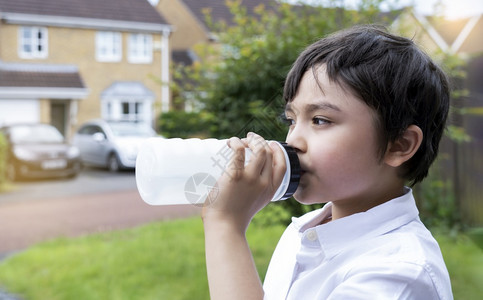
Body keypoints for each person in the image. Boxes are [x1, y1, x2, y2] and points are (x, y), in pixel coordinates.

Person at [202, 24, 453, 299]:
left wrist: (225, 225)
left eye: (320, 120)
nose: (293, 140)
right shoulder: (303, 231)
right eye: (291, 120)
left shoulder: (398, 273)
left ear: (399, 146)